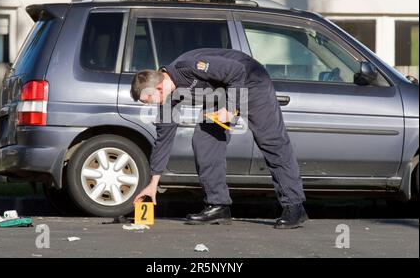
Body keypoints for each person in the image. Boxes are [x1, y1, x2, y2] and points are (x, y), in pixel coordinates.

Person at [131, 48, 308, 229]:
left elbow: (236, 71)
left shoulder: (190, 67)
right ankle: (217, 205)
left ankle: (294, 206)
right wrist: (153, 183)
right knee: (204, 142)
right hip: (220, 91)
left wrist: (230, 109)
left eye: (149, 100)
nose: (152, 105)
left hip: (250, 79)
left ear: (158, 87)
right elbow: (163, 140)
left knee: (271, 141)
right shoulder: (167, 98)